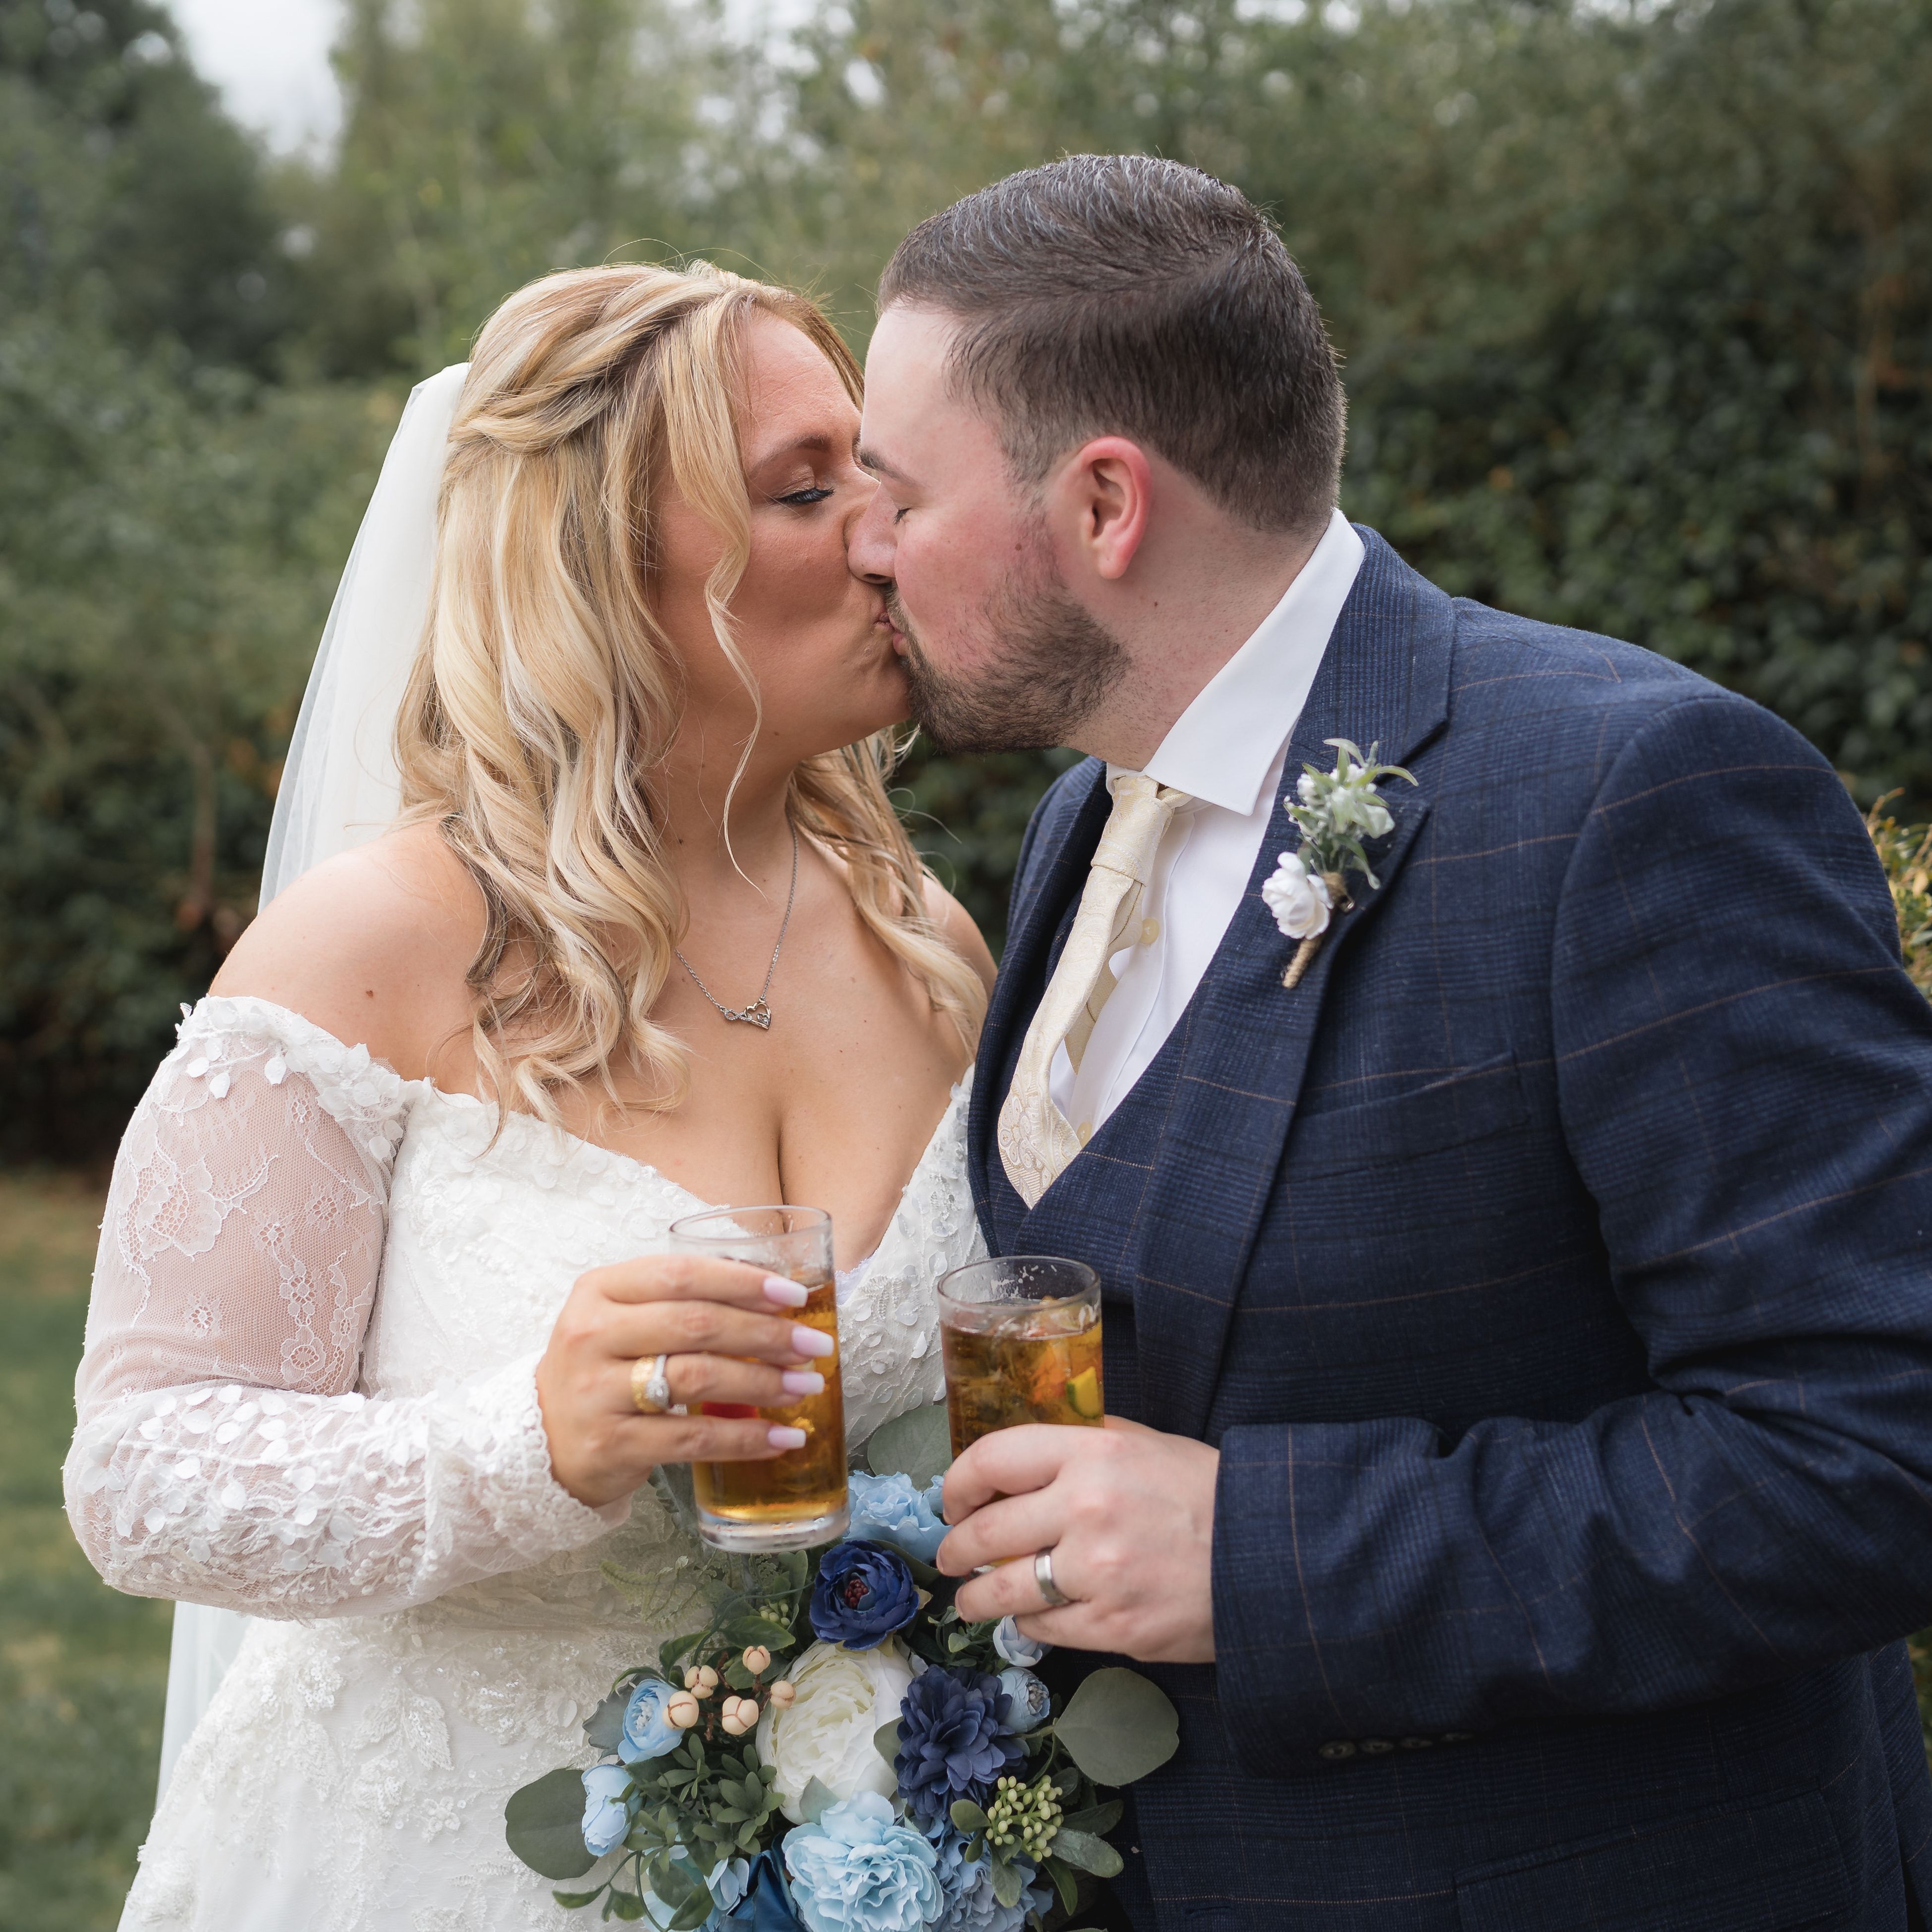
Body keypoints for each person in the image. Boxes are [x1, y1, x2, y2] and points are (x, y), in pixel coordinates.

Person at [850, 154, 1932, 1931]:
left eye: (897, 489)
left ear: (1105, 503)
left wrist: (1257, 1556)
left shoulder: (1630, 795)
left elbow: (1873, 1441)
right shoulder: (1074, 824)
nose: (866, 542)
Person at [63, 261, 994, 1931]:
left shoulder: (927, 942)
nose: (883, 532)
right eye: (805, 488)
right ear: (603, 570)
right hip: (423, 1863)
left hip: (858, 1857)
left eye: (876, 473)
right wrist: (524, 1442)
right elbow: (136, 1474)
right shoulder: (380, 943)